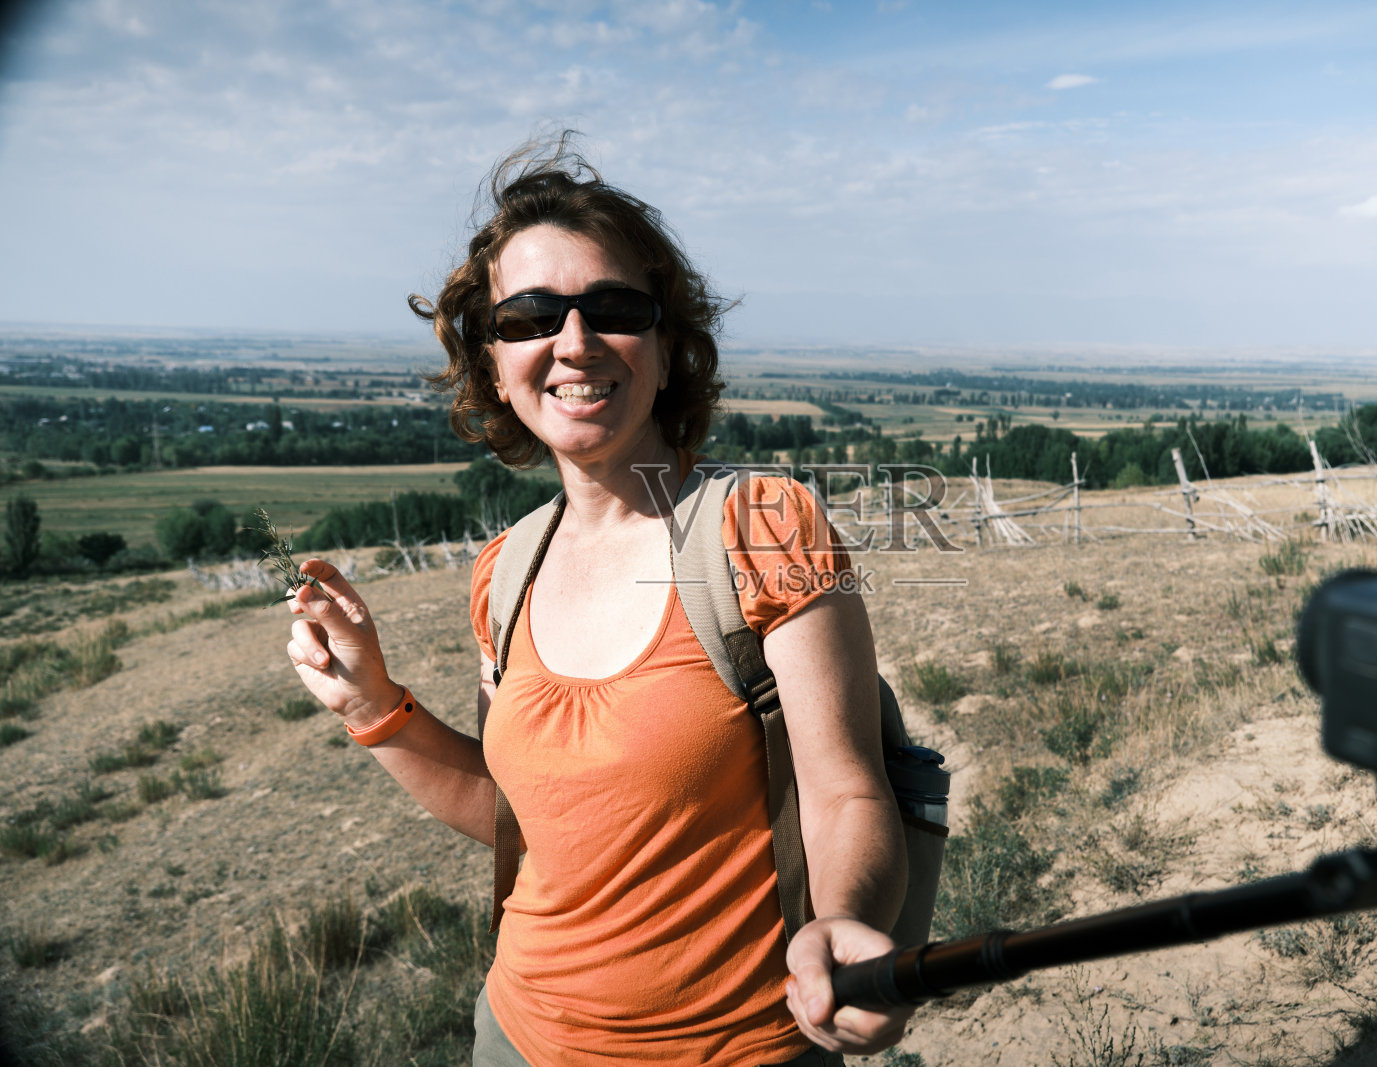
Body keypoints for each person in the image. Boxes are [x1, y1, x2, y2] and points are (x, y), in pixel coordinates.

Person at [281, 136, 911, 1066]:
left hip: (736, 1050)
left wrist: (850, 920)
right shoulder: (505, 569)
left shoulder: (763, 525)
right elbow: (523, 818)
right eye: (531, 316)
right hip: (515, 1036)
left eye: (613, 308)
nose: (573, 341)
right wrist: (375, 704)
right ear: (495, 363)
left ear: (665, 348)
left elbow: (848, 788)